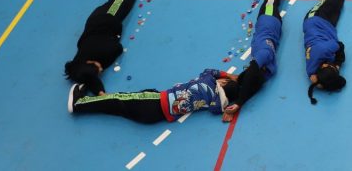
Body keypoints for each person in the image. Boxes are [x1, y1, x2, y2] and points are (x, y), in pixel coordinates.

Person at [63, 0, 151, 95]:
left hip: (106, 16)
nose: (101, 70)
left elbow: (117, 48)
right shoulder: (79, 66)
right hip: (107, 23)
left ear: (89, 62)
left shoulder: (98, 51)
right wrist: (100, 92)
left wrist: (104, 65)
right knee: (129, 2)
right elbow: (90, 78)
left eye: (98, 68)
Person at [220, 0, 292, 121]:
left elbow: (252, 84)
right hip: (268, 20)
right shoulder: (264, 54)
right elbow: (251, 73)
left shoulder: (268, 72)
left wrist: (239, 99)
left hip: (271, 28)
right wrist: (239, 102)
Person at [69, 65, 241, 124]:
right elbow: (218, 109)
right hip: (156, 116)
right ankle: (91, 100)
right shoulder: (216, 102)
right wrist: (229, 110)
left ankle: (78, 104)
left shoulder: (208, 80)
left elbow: (209, 71)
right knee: (118, 107)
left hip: (155, 102)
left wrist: (227, 75)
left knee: (117, 98)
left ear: (224, 83)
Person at [305, 0, 352, 104]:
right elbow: (315, 79)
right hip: (327, 27)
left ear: (325, 66)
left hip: (316, 19)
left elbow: (340, 46)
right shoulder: (312, 70)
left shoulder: (324, 50)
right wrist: (318, 82)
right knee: (339, 5)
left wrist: (338, 63)